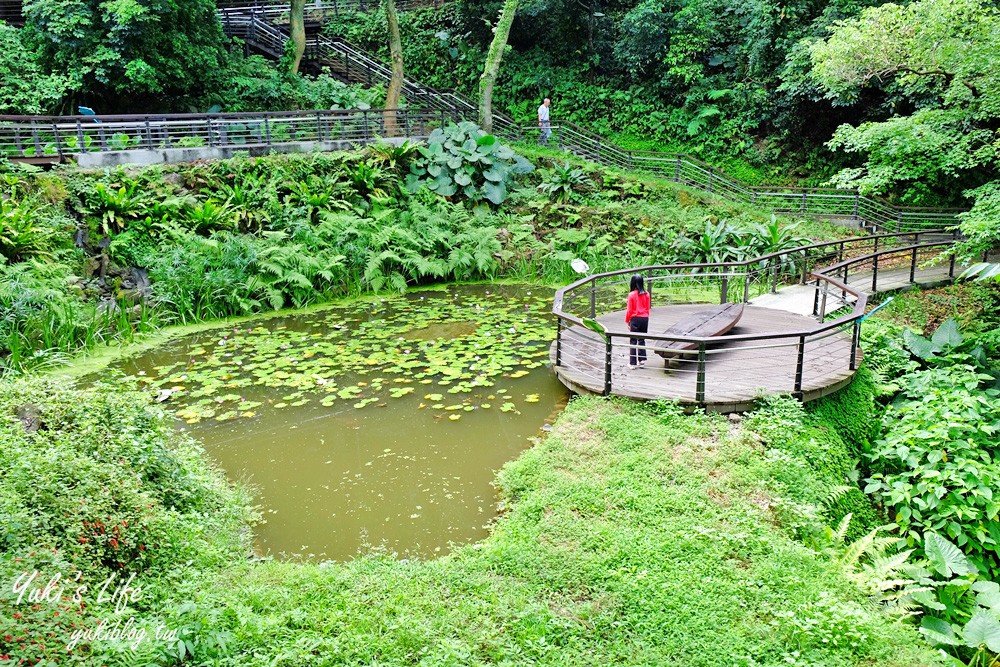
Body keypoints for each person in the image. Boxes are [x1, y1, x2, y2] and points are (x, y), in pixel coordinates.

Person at [625, 274, 650, 367]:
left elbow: (629, 310)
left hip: (635, 319)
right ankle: (642, 360)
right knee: (642, 339)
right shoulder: (647, 294)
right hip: (645, 318)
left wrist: (628, 321)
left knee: (633, 341)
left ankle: (632, 363)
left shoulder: (631, 295)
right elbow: (647, 308)